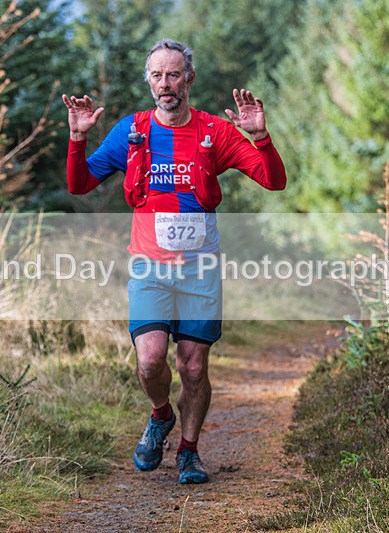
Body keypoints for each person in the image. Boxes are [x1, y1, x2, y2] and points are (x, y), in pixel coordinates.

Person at [62, 38, 286, 484]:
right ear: (149, 80)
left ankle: (188, 451)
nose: (166, 84)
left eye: (174, 74)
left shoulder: (214, 133)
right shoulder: (133, 131)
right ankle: (160, 414)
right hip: (149, 265)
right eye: (158, 75)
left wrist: (260, 138)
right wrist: (77, 137)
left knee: (194, 366)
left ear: (190, 79)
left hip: (199, 269)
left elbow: (273, 181)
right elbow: (80, 184)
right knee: (149, 362)